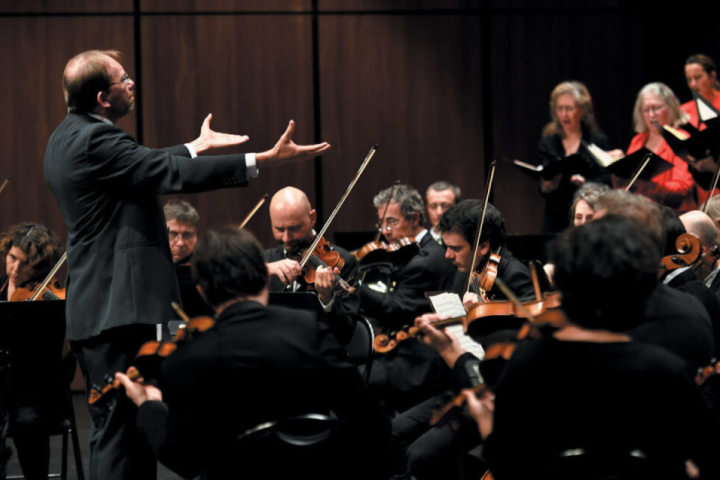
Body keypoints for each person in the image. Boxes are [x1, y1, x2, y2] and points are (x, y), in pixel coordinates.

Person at [43, 49, 330, 479]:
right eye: (125, 80)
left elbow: (143, 164)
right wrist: (263, 160)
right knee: (120, 434)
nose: (132, 84)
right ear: (103, 97)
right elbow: (159, 170)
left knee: (129, 429)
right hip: (116, 309)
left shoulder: (67, 137)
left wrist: (194, 146)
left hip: (101, 307)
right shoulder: (95, 141)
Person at [115, 227, 389, 479]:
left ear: (201, 291)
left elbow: (186, 460)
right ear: (262, 277)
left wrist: (149, 405)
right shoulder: (310, 330)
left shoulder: (185, 360)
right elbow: (369, 420)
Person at [465, 216, 720, 479]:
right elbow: (706, 458)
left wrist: (487, 424)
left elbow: (509, 466)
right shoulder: (665, 371)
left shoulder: (526, 363)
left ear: (563, 285)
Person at [357, 184, 457, 413]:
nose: (385, 231)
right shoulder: (410, 253)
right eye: (381, 223)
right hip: (401, 346)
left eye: (391, 222)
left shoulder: (425, 260)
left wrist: (355, 286)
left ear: (414, 218)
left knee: (352, 381)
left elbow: (395, 308)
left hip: (417, 359)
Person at [0, 223, 64, 480]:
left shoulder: (48, 299)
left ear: (40, 266)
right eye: (12, 258)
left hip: (34, 390)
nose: (15, 269)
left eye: (25, 263)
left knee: (29, 424)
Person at [438, 199, 536, 347]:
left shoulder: (515, 276)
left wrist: (479, 318)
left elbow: (530, 335)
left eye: (456, 248)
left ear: (483, 246)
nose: (447, 255)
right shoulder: (466, 269)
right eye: (446, 247)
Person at [537, 81, 615, 233]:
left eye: (569, 108)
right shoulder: (548, 142)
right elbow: (543, 177)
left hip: (587, 215)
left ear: (582, 110)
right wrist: (545, 186)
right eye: (560, 109)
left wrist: (586, 183)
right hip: (555, 217)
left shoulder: (597, 141)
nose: (564, 114)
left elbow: (606, 180)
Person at [264, 186, 357, 307]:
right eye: (279, 229)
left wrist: (326, 298)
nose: (286, 238)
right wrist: (263, 270)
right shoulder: (263, 261)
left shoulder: (344, 262)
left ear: (312, 218)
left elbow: (347, 324)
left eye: (294, 228)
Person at [618, 82, 696, 213]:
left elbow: (682, 188)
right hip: (639, 213)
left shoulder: (680, 139)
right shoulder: (637, 141)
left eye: (656, 108)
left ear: (670, 108)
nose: (652, 114)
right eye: (646, 110)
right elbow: (627, 186)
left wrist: (646, 185)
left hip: (671, 215)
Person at [163, 200, 213, 318]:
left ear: (196, 235)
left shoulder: (207, 271)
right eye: (173, 234)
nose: (180, 243)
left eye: (187, 235)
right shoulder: (147, 270)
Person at [682, 53, 720, 129]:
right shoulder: (683, 112)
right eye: (689, 79)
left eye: (697, 77)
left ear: (712, 76)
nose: (693, 84)